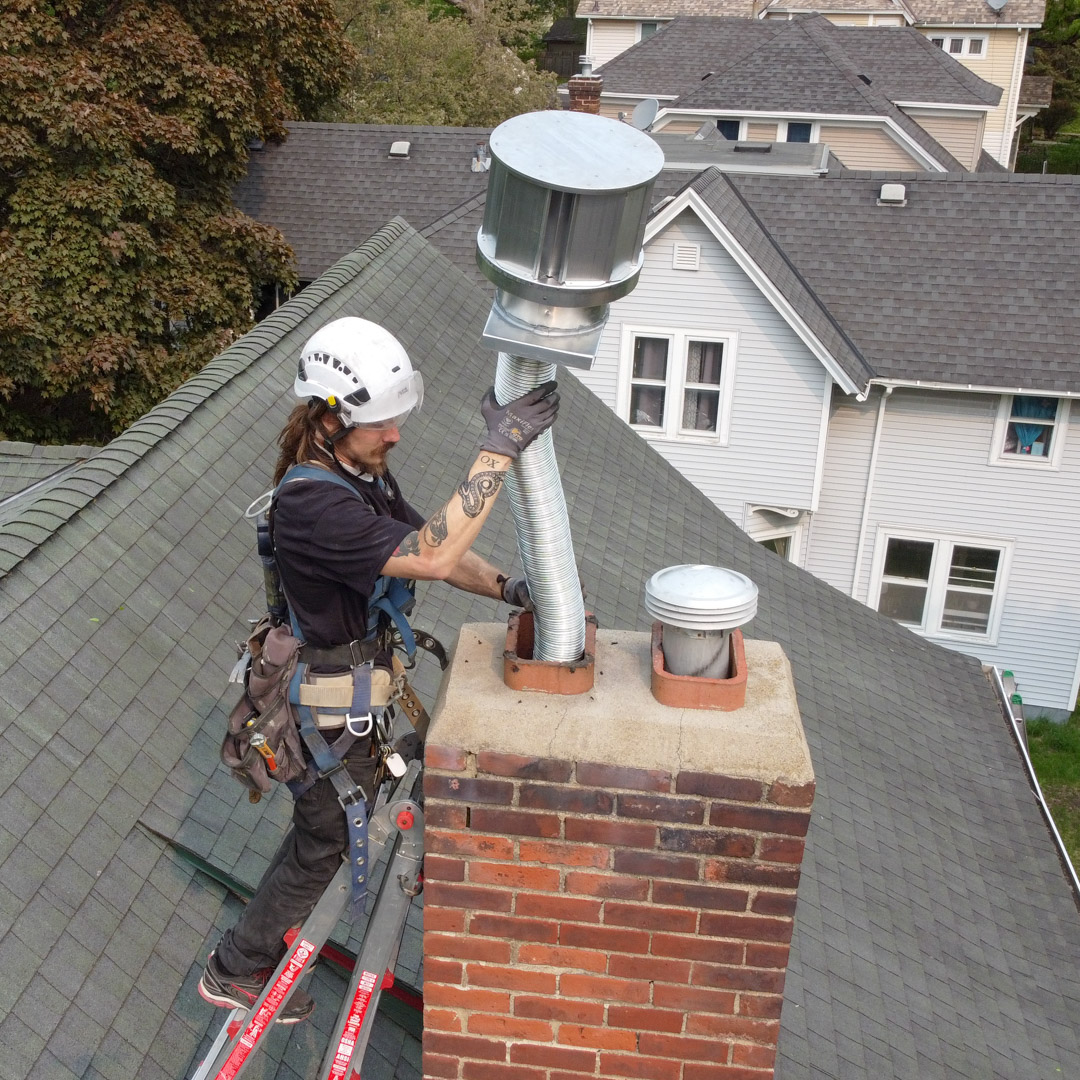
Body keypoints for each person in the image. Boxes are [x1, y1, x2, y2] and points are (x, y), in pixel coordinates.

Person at [198, 316, 558, 1021]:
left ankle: (247, 955)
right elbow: (430, 555)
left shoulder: (357, 476)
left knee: (319, 831)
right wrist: (498, 450)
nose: (394, 436)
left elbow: (431, 540)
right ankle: (239, 964)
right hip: (327, 709)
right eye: (380, 425)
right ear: (329, 418)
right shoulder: (312, 504)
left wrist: (511, 589)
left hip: (350, 698)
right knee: (329, 835)